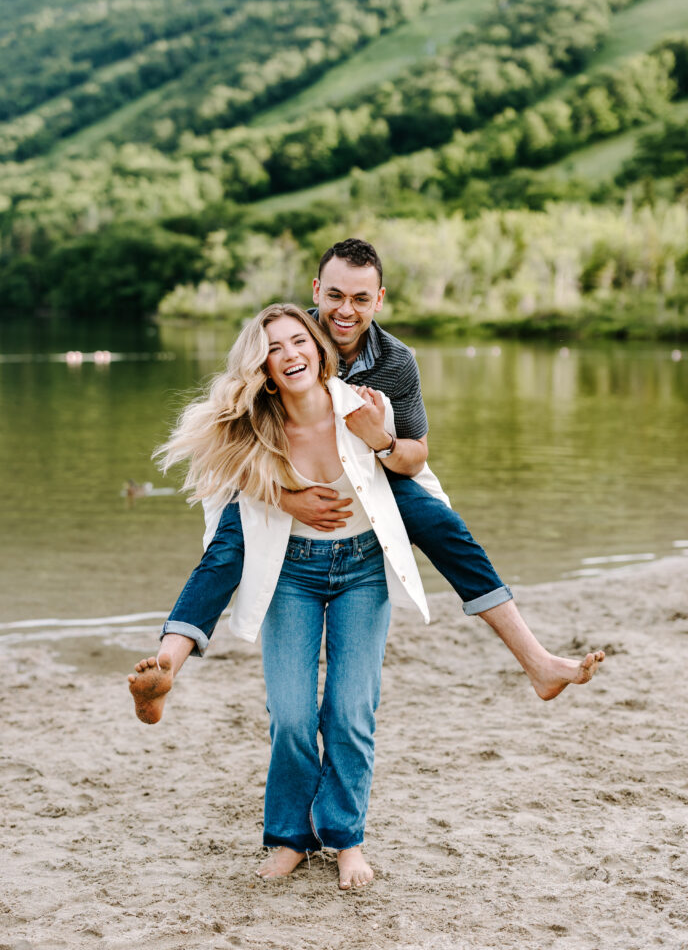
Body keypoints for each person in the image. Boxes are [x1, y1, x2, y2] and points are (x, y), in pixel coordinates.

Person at [138, 238, 604, 703]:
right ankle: (167, 667)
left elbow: (415, 455)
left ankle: (537, 662)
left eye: (361, 299)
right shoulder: (285, 340)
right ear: (317, 290)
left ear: (378, 300)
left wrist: (378, 437)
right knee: (229, 541)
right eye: (336, 296)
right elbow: (229, 444)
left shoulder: (396, 361)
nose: (346, 310)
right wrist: (283, 498)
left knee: (441, 524)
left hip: (372, 473)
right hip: (278, 478)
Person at [129, 304, 447, 889]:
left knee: (352, 712)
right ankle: (290, 838)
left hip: (362, 571)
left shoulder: (361, 406)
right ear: (263, 367)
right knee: (293, 716)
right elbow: (222, 501)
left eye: (299, 341)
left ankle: (346, 839)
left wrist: (389, 445)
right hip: (289, 575)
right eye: (275, 348)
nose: (291, 354)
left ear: (320, 350)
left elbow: (415, 469)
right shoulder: (255, 424)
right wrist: (282, 494)